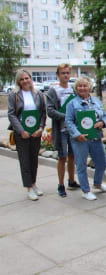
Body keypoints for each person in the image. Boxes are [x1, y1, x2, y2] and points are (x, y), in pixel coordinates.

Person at [65, 76, 106, 201]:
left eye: (85, 85)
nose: (82, 88)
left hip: (95, 137)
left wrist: (102, 122)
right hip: (80, 139)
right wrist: (77, 134)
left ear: (89, 87)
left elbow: (104, 115)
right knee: (81, 165)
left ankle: (97, 183)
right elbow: (68, 121)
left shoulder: (96, 101)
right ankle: (86, 190)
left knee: (102, 163)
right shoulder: (72, 104)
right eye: (80, 86)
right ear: (76, 88)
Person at [8, 69, 46, 200]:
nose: (25, 81)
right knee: (25, 160)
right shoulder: (15, 95)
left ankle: (34, 183)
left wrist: (41, 127)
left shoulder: (38, 94)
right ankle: (29, 187)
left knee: (34, 159)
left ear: (30, 78)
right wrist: (21, 131)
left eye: (27, 78)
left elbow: (42, 113)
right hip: (22, 132)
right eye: (22, 79)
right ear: (18, 81)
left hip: (36, 132)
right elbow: (11, 114)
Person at [46, 63, 80, 197]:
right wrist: (67, 117)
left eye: (67, 73)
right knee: (62, 157)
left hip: (73, 130)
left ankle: (71, 181)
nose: (65, 75)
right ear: (58, 75)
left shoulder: (73, 90)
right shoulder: (53, 91)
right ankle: (60, 185)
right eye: (63, 73)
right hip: (61, 130)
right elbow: (50, 111)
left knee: (72, 156)